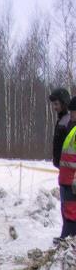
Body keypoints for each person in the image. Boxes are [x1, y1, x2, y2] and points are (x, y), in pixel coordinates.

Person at [58, 96, 76, 241]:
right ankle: (66, 237)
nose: (71, 115)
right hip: (66, 180)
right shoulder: (73, 129)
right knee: (67, 210)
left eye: (73, 112)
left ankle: (69, 239)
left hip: (72, 181)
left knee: (71, 212)